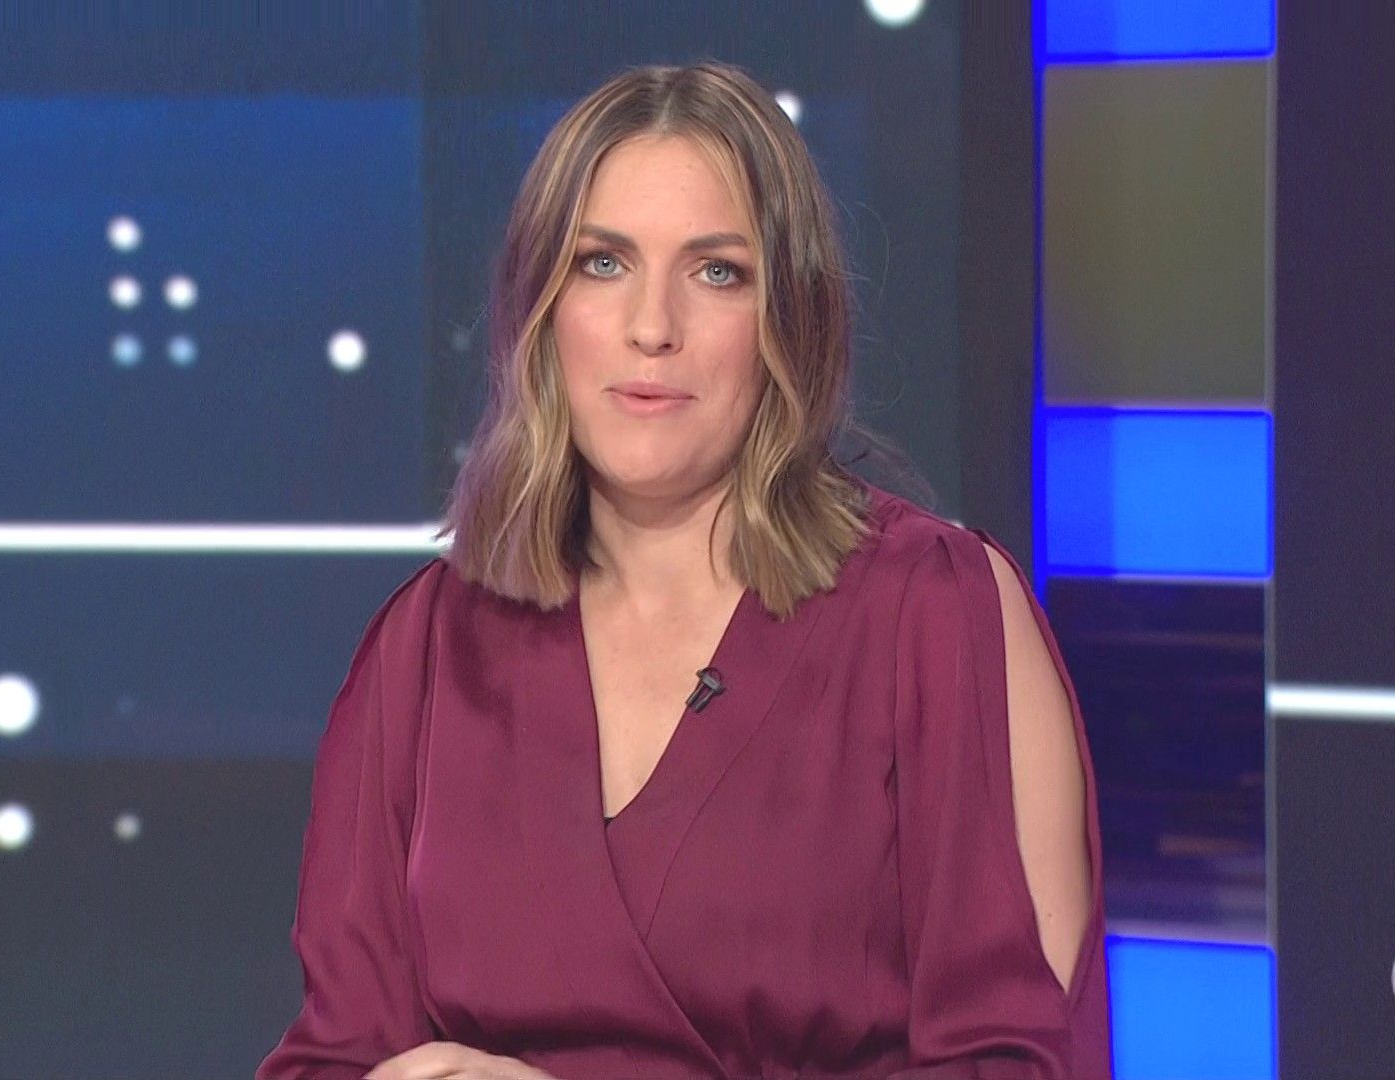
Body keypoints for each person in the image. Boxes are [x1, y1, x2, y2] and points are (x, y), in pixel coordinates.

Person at [258, 60, 1110, 1080]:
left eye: (716, 273)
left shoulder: (935, 613)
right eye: (601, 263)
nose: (651, 327)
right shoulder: (428, 648)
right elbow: (334, 1055)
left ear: (788, 318)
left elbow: (1014, 1060)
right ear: (540, 310)